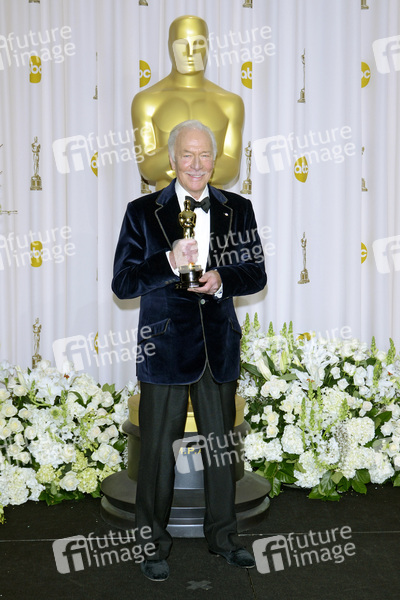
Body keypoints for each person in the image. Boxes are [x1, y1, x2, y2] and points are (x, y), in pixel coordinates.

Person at [112, 120, 267, 581]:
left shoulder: (238, 209)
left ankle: (224, 538)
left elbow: (255, 273)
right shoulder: (142, 212)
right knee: (157, 455)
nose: (196, 164)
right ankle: (151, 545)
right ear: (172, 159)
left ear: (214, 161)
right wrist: (168, 261)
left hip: (218, 347)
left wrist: (221, 280)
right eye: (187, 154)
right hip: (163, 349)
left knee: (221, 451)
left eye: (204, 155)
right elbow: (123, 283)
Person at [131, 15, 244, 189]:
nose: (190, 53)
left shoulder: (230, 103)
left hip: (214, 204)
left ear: (207, 46)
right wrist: (201, 163)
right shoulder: (147, 101)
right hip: (164, 204)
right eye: (182, 45)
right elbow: (148, 168)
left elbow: (231, 168)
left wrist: (178, 162)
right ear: (170, 46)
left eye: (198, 44)